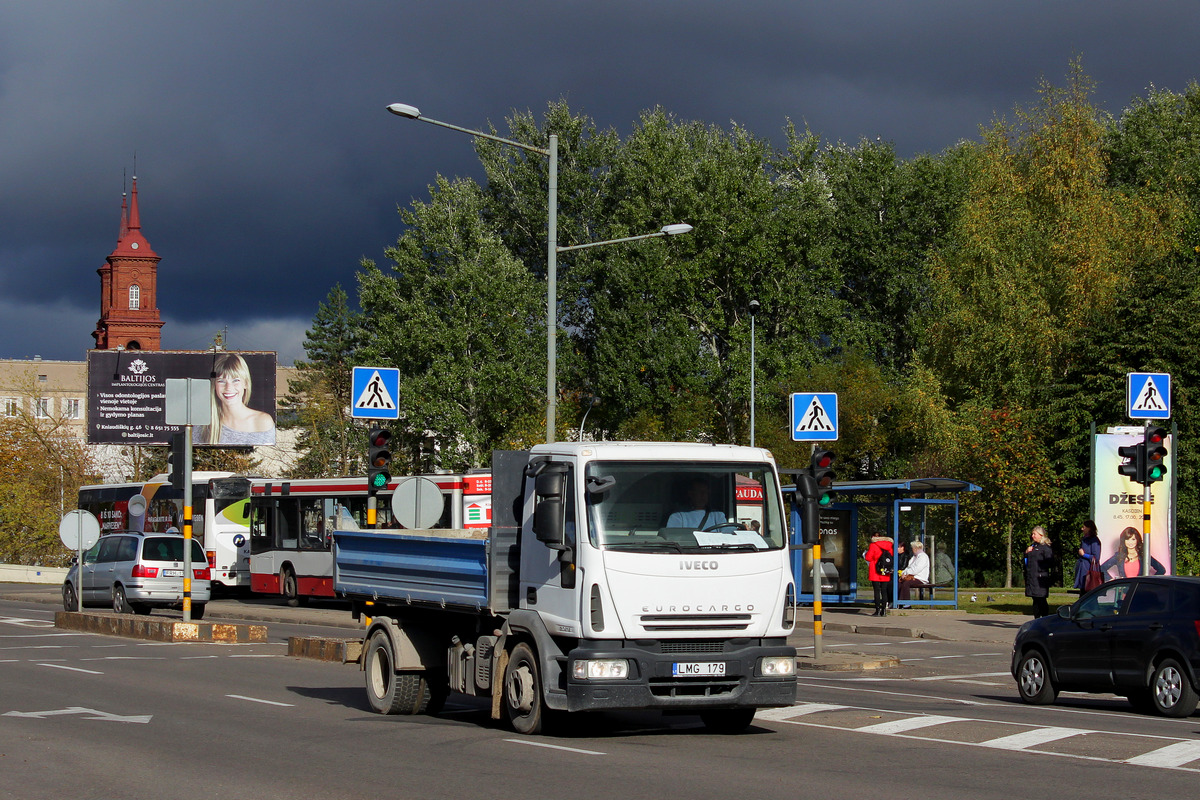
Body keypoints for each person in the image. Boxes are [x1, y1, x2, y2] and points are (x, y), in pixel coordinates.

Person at [200, 353, 275, 445]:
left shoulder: (263, 422)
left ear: (246, 383)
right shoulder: (203, 425)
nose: (228, 388)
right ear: (214, 385)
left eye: (235, 380)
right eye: (221, 381)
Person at [1099, 526, 1166, 580]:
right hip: (1124, 593)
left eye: (1133, 539)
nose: (1130, 542)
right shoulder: (1119, 556)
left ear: (1137, 540)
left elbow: (1161, 570)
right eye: (1127, 539)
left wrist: (1148, 582)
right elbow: (1102, 568)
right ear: (1123, 541)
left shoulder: (1144, 556)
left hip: (1140, 591)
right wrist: (1112, 581)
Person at [1024, 525, 1055, 618]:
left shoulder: (1045, 548)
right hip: (1032, 578)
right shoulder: (1033, 547)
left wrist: (1040, 568)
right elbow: (1027, 562)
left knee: (1041, 600)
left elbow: (1050, 562)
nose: (1032, 536)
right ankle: (1036, 619)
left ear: (1041, 535)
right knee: (1035, 600)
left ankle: (1045, 618)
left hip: (1040, 579)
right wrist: (1026, 553)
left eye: (1035, 534)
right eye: (1032, 534)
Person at [863, 532, 894, 617]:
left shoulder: (873, 545)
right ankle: (884, 610)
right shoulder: (889, 546)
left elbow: (868, 557)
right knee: (884, 591)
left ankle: (877, 610)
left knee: (877, 591)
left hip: (875, 570)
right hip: (885, 571)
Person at [1072, 519, 1103, 591]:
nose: (1082, 529)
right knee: (1082, 592)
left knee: (1088, 592)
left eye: (1084, 527)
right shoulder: (1084, 539)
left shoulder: (1094, 540)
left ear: (1089, 528)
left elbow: (1096, 558)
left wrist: (1084, 555)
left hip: (1089, 571)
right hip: (1082, 570)